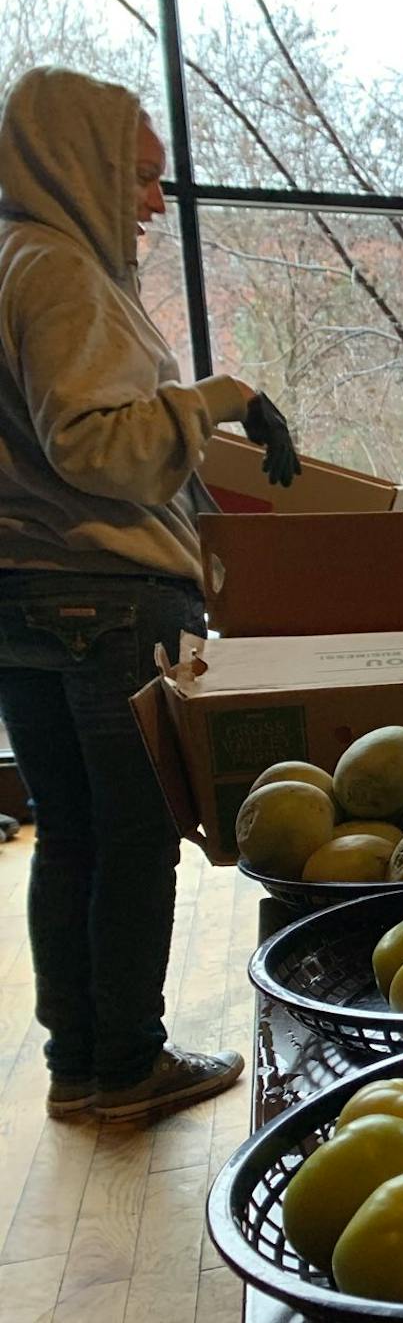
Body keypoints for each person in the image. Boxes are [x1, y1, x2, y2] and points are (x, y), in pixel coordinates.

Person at [0, 67, 295, 1121]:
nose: (154, 205)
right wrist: (222, 396)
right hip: (109, 600)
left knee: (69, 832)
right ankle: (127, 1063)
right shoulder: (62, 271)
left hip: (29, 600)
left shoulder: (10, 260)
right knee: (130, 835)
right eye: (142, 178)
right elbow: (94, 447)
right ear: (78, 161)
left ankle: (80, 1061)